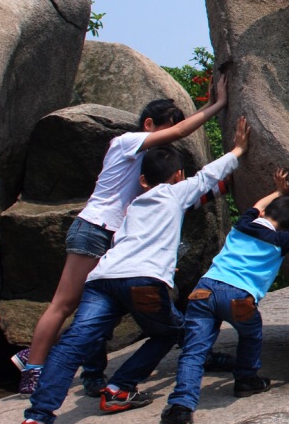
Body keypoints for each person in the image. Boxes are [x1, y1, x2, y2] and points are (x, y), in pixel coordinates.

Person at [17, 118, 250, 424]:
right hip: (142, 280)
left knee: (74, 344)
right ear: (178, 177)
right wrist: (239, 150)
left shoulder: (131, 204)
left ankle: (36, 419)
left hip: (102, 279)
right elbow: (209, 177)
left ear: (142, 180)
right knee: (168, 332)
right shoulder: (176, 193)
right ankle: (120, 387)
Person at [13, 78, 228, 395]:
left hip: (116, 241)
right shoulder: (126, 142)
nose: (168, 140)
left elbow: (189, 195)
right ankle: (32, 367)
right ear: (149, 124)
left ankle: (89, 374)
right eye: (164, 130)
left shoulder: (147, 169)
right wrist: (219, 105)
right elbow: (181, 132)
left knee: (101, 310)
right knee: (65, 303)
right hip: (95, 228)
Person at [160, 169, 289, 424]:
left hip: (205, 289)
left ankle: (181, 407)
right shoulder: (282, 239)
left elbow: (257, 205)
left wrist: (278, 191)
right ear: (288, 226)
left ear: (267, 215)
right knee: (251, 333)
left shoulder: (243, 224)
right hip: (238, 296)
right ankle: (246, 379)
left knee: (194, 349)